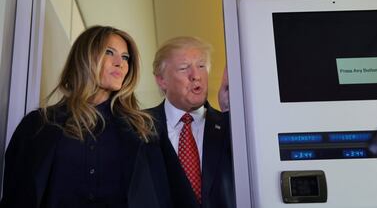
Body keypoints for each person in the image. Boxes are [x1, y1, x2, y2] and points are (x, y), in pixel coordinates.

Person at [0, 26, 172, 208]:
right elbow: (15, 196)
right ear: (85, 57)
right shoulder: (38, 124)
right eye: (109, 52)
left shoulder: (144, 130)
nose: (120, 63)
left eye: (125, 57)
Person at [147, 36, 235, 208]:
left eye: (201, 66)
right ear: (161, 80)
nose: (196, 76)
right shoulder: (139, 127)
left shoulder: (229, 127)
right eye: (183, 68)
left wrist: (231, 114)